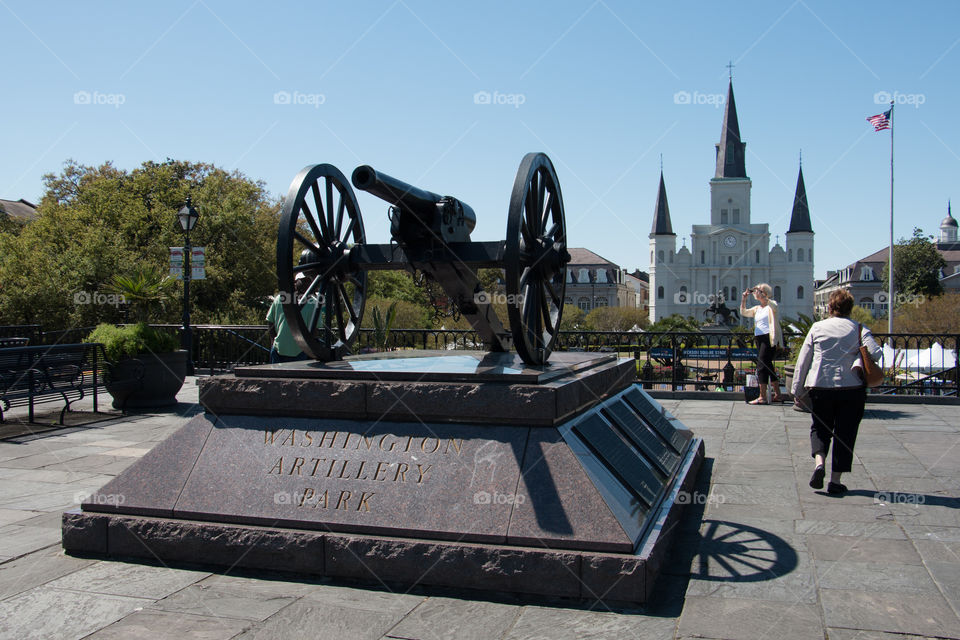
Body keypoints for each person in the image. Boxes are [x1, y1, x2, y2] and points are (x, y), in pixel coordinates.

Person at [791, 289, 881, 495]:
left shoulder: (817, 327)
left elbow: (803, 361)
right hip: (851, 388)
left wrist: (796, 389)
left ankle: (819, 464)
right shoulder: (859, 329)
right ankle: (835, 481)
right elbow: (876, 353)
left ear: (830, 307)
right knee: (845, 433)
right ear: (850, 308)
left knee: (819, 427)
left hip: (820, 386)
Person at [740, 283, 785, 404]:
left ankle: (762, 397)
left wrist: (763, 295)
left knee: (760, 366)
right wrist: (744, 298)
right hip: (759, 339)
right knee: (768, 366)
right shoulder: (757, 308)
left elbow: (773, 306)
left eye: (757, 290)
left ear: (764, 293)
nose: (754, 292)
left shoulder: (772, 305)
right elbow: (744, 312)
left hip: (769, 338)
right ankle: (778, 394)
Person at [266, 272, 319, 364]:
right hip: (282, 349)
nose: (306, 284)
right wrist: (273, 341)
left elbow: (270, 321)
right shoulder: (280, 299)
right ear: (295, 283)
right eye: (303, 281)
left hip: (299, 351)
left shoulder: (313, 303)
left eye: (308, 282)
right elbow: (270, 321)